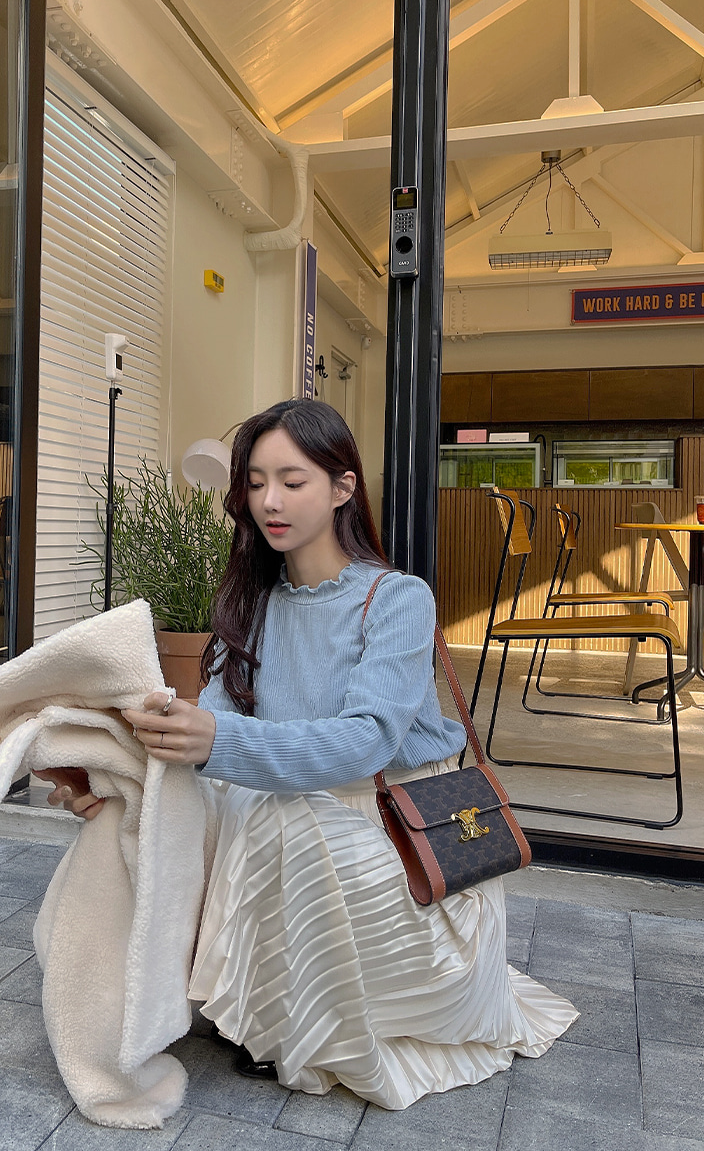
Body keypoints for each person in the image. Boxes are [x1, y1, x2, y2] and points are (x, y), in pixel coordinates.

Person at [38, 398, 577, 1110]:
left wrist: (217, 741)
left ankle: (288, 1020)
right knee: (156, 815)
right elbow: (216, 729)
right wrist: (119, 777)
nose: (270, 501)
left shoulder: (397, 599)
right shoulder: (253, 603)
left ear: (343, 487)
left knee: (284, 820)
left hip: (394, 835)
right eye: (256, 482)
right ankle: (114, 1009)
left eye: (292, 481)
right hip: (292, 820)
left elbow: (367, 740)